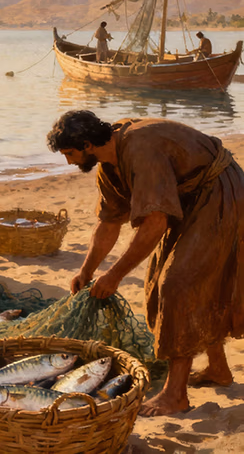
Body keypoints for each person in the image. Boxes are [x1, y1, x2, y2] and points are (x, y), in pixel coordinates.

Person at [47, 110, 244, 416]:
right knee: (160, 282)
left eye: (70, 153)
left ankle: (175, 395)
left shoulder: (141, 150)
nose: (69, 162)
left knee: (177, 287)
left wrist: (113, 275)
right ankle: (218, 369)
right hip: (187, 199)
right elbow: (109, 223)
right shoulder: (108, 164)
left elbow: (154, 224)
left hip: (220, 192)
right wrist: (86, 271)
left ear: (87, 144)